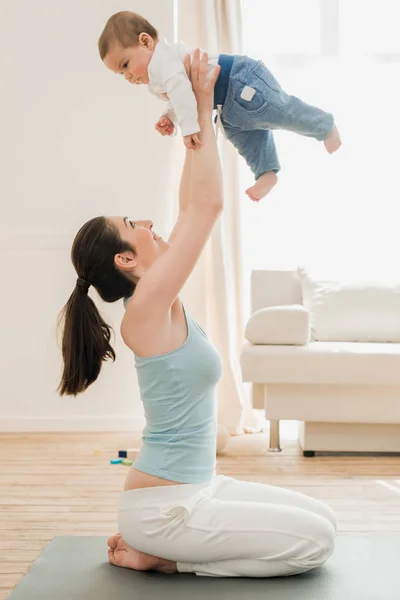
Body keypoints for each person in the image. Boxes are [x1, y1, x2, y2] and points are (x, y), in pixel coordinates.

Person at [58, 50, 336, 578]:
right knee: (316, 543)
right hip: (167, 510)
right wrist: (203, 96)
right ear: (125, 259)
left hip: (199, 488)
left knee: (322, 517)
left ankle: (169, 550)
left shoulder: (157, 298)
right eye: (131, 222)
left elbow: (191, 204)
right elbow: (206, 209)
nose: (146, 220)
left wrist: (198, 116)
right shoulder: (144, 309)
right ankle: (169, 558)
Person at [98, 10, 341, 202]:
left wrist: (189, 128)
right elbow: (180, 98)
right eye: (121, 74)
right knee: (246, 139)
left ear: (146, 42)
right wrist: (169, 117)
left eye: (126, 64)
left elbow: (182, 91)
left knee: (282, 112)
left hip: (240, 80)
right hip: (226, 105)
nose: (128, 76)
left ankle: (324, 126)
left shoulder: (162, 59)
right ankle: (266, 171)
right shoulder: (156, 77)